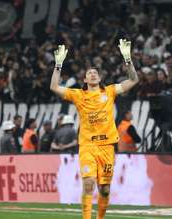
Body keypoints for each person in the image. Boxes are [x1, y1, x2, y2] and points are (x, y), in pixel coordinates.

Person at [50, 39, 138, 219]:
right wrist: (58, 65)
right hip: (88, 147)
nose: (92, 74)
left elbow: (133, 80)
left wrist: (127, 59)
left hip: (107, 148)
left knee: (104, 190)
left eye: (95, 72)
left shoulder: (110, 91)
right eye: (89, 73)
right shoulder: (78, 95)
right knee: (88, 183)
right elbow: (54, 87)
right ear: (84, 79)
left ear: (99, 78)